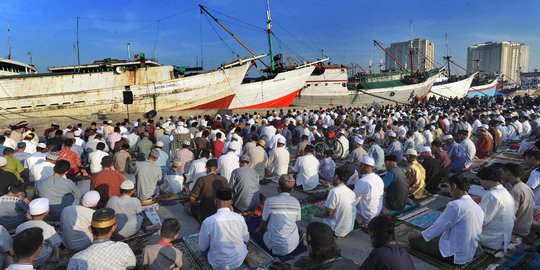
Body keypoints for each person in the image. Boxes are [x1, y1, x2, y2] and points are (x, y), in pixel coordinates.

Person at [409, 175, 484, 266]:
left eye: (449, 187)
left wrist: (420, 235)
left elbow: (438, 227)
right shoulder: (477, 206)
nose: (449, 191)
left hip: (454, 255)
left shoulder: (456, 205)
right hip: (470, 252)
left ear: (454, 186)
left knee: (413, 239)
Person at [198, 188, 258, 269]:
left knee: (206, 248)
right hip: (239, 260)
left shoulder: (208, 221)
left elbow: (202, 247)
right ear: (231, 203)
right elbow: (246, 239)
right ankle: (246, 255)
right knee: (243, 244)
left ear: (215, 201)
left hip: (219, 265)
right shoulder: (239, 218)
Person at [67, 208, 137, 269]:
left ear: (90, 229)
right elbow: (132, 266)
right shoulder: (124, 248)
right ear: (113, 228)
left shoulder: (75, 260)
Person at [255, 175, 301, 256]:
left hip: (276, 247)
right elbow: (296, 221)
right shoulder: (296, 202)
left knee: (257, 233)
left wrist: (259, 230)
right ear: (292, 190)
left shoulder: (270, 201)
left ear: (278, 188)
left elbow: (263, 223)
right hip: (293, 244)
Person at [477, 166, 516, 251]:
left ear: (486, 179)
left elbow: (482, 220)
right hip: (503, 236)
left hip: (493, 239)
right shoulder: (505, 192)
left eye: (480, 180)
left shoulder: (492, 195)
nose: (480, 183)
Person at [16, 198, 62, 268]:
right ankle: (55, 257)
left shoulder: (20, 227)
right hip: (41, 257)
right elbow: (57, 243)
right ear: (47, 212)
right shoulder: (49, 228)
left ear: (30, 213)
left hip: (24, 256)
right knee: (55, 243)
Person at [315, 166, 356, 237]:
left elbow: (328, 213)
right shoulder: (351, 193)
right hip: (348, 228)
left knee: (313, 218)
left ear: (336, 176)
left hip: (336, 230)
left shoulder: (334, 191)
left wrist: (318, 214)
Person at [500, 163, 535, 238]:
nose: (501, 175)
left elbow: (510, 214)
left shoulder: (516, 190)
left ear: (508, 172)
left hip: (518, 229)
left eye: (502, 172)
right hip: (525, 225)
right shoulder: (524, 186)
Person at [353, 156, 384, 226]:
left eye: (359, 165)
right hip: (376, 214)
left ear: (363, 166)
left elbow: (352, 202)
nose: (358, 168)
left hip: (366, 217)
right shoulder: (379, 179)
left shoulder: (362, 181)